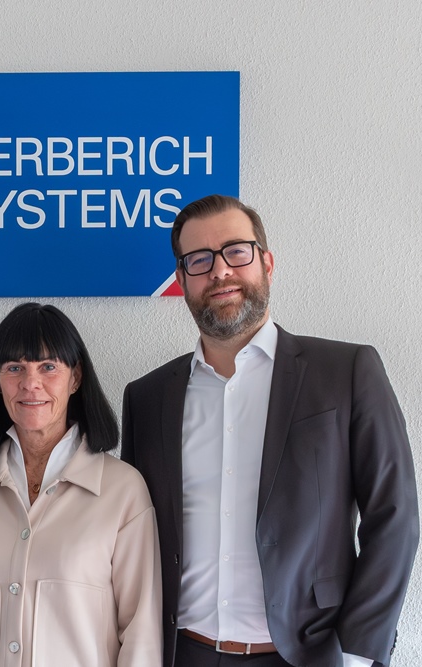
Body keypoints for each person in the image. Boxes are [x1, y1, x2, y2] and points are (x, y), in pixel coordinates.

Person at [121, 194, 419, 667]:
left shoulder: (345, 372)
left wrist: (357, 653)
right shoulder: (147, 397)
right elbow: (132, 539)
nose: (220, 271)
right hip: (182, 652)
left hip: (309, 654)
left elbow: (394, 516)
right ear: (181, 279)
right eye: (199, 260)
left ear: (267, 262)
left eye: (236, 251)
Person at [0, 302, 162, 667]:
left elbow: (141, 636)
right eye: (14, 368)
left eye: (48, 367)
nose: (30, 384)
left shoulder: (123, 491)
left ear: (75, 378)